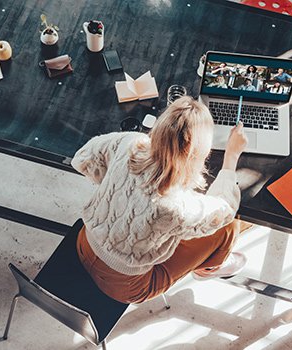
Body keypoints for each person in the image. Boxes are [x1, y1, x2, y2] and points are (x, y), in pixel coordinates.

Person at [71, 96, 250, 304]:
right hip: (127, 287)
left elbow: (82, 159)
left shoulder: (130, 143)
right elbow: (225, 210)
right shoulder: (177, 206)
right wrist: (231, 157)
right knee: (228, 228)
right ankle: (210, 267)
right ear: (197, 152)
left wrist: (119, 190)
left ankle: (207, 263)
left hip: (84, 243)